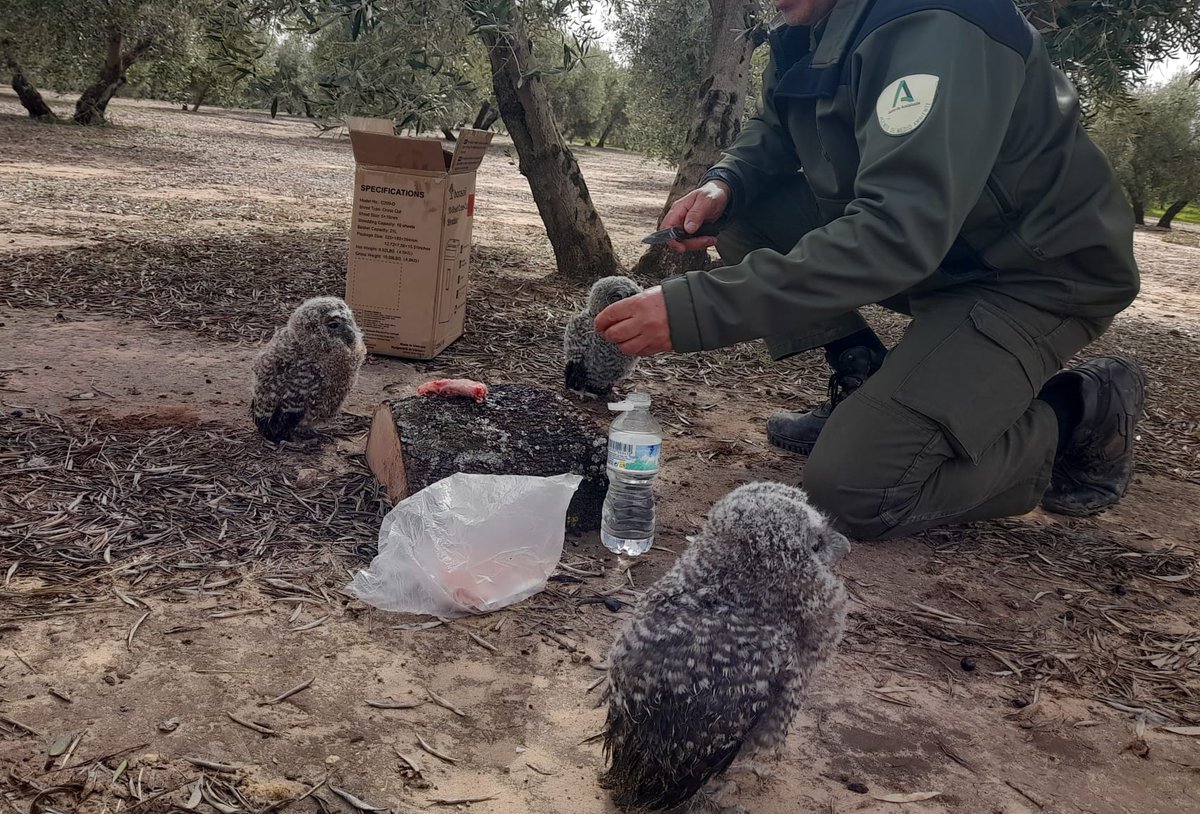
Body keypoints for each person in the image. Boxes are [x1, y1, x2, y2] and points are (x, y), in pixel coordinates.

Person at [594, 0, 1146, 541]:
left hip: (1030, 276)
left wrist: (694, 309)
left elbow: (895, 232)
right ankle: (866, 384)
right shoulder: (809, 31)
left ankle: (1079, 412)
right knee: (742, 213)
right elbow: (778, 126)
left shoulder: (939, 22)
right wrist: (727, 182)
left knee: (859, 492)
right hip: (941, 252)